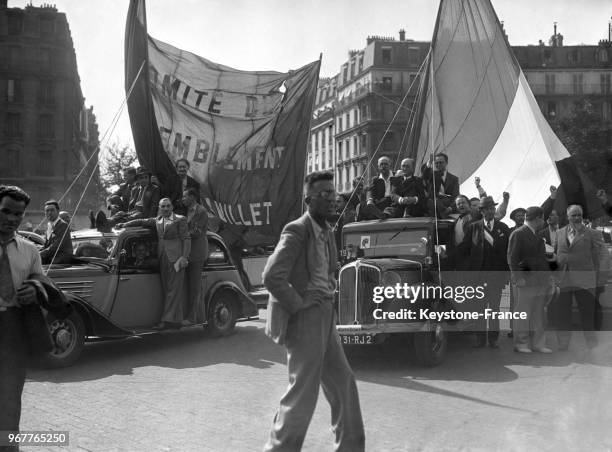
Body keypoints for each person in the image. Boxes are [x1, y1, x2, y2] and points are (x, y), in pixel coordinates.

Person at [262, 171, 364, 452]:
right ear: (309, 200)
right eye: (324, 195)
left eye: (333, 193)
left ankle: (351, 447)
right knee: (302, 395)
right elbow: (271, 276)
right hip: (305, 319)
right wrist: (298, 303)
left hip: (325, 314)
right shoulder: (296, 230)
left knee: (343, 383)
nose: (332, 199)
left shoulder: (328, 230)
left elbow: (327, 271)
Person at [0, 185, 46, 447]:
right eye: (6, 211)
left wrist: (36, 288)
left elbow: (42, 281)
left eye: (18, 214)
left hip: (13, 329)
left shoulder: (30, 251)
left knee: (10, 394)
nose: (12, 219)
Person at [117, 198, 190, 330]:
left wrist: (184, 257)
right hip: (162, 257)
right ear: (160, 208)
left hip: (176, 258)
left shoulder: (180, 219)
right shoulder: (157, 220)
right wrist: (124, 224)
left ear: (172, 207)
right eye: (163, 206)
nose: (166, 209)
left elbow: (186, 239)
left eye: (168, 206)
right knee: (168, 289)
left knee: (173, 290)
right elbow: (142, 221)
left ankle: (165, 321)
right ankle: (177, 320)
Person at [454, 196, 510, 348]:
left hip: (496, 277)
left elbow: (508, 254)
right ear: (482, 211)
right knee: (479, 309)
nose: (490, 211)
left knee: (494, 309)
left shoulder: (503, 228)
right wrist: (446, 253)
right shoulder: (474, 227)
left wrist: (507, 276)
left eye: (492, 208)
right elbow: (464, 249)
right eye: (487, 209)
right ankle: (480, 339)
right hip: (478, 277)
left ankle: (493, 338)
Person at [552, 204, 607, 350]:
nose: (577, 218)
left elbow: (602, 256)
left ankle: (591, 343)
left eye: (579, 215)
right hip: (563, 279)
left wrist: (601, 277)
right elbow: (555, 254)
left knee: (587, 313)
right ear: (567, 217)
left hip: (585, 280)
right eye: (573, 215)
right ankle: (563, 343)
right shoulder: (559, 233)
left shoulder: (593, 233)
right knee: (562, 313)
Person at [507, 206, 553, 354]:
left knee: (539, 313)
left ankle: (538, 344)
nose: (544, 221)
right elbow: (512, 259)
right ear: (538, 218)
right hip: (524, 281)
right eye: (543, 218)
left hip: (539, 281)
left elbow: (542, 260)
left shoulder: (538, 236)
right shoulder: (518, 234)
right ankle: (521, 344)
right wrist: (517, 278)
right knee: (523, 314)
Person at [96, 166, 161, 232]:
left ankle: (107, 224)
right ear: (138, 179)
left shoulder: (154, 189)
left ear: (149, 178)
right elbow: (132, 205)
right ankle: (106, 221)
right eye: (141, 178)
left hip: (144, 212)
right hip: (134, 210)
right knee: (120, 213)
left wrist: (149, 219)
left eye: (146, 177)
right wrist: (127, 213)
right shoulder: (135, 189)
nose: (144, 180)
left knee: (133, 216)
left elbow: (154, 205)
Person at [182, 187, 209, 324]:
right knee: (191, 285)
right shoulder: (186, 211)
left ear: (192, 197)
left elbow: (197, 232)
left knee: (194, 286)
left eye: (185, 196)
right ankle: (200, 317)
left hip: (197, 253)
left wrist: (180, 233)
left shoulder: (201, 212)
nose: (183, 199)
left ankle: (192, 317)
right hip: (189, 252)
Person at [39, 200, 73, 265]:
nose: (49, 213)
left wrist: (40, 254)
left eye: (52, 210)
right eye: (47, 211)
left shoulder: (63, 225)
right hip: (52, 256)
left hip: (61, 259)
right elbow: (46, 245)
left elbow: (56, 246)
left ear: (58, 211)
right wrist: (36, 251)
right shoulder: (49, 225)